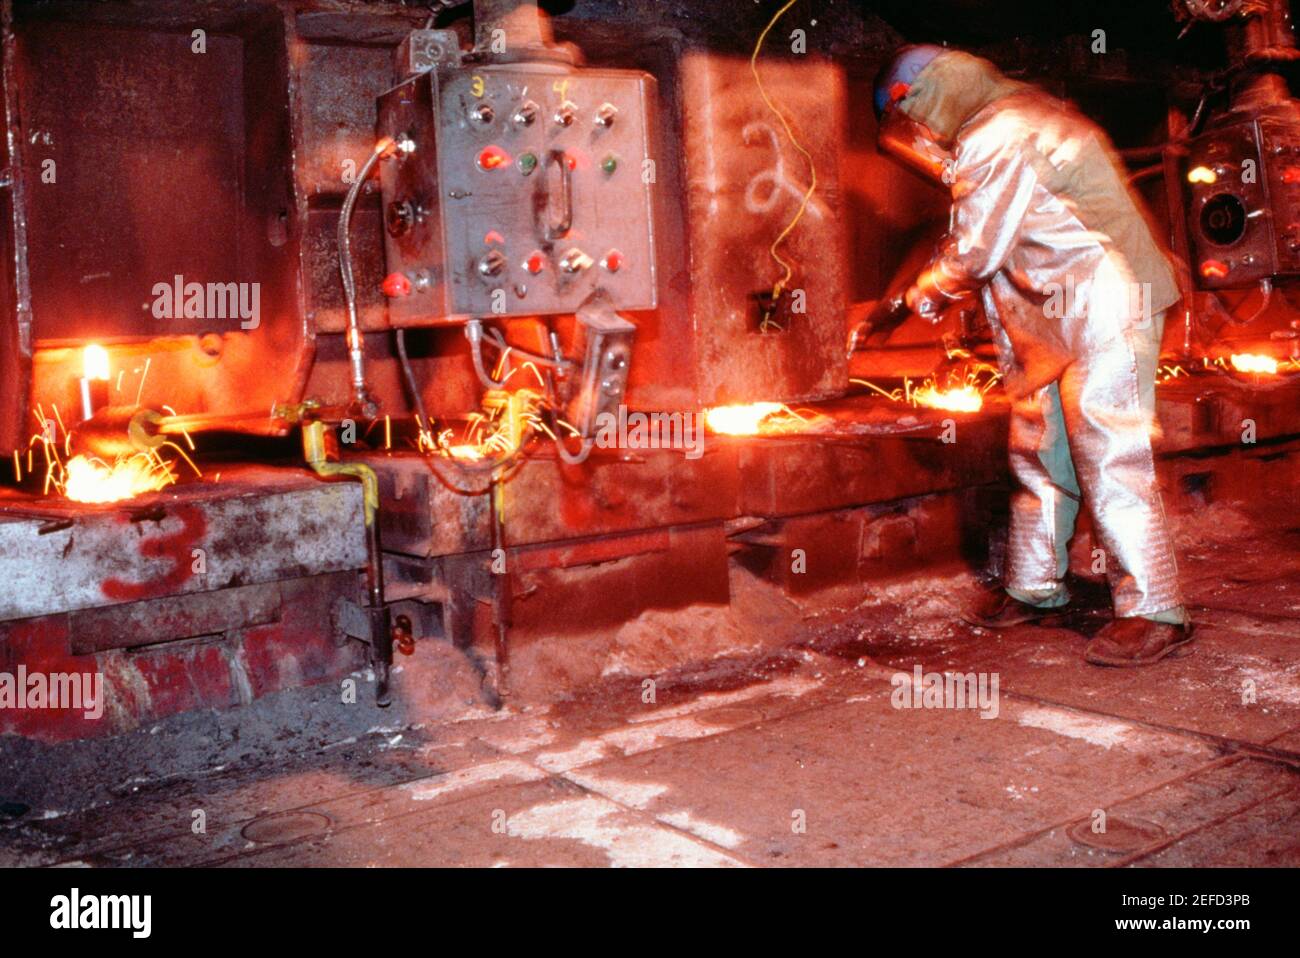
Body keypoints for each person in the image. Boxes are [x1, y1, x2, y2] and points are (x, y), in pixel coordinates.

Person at [874, 44, 1192, 666]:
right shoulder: (1012, 116)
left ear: (923, 96)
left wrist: (922, 293)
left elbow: (976, 250)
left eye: (908, 115)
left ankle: (1155, 608)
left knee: (1109, 447)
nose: (918, 132)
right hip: (1048, 309)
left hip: (1107, 295)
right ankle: (1035, 584)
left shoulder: (1003, 130)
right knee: (1038, 443)